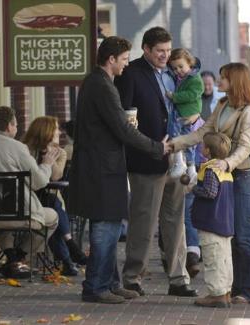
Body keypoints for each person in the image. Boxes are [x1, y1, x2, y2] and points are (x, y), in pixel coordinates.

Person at [68, 36, 170, 304]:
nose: (126, 65)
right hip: (101, 168)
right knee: (104, 227)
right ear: (111, 59)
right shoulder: (101, 85)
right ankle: (95, 287)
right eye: (124, 59)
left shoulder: (99, 83)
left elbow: (114, 125)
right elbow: (121, 129)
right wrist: (157, 147)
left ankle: (110, 283)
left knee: (111, 226)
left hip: (105, 166)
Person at [115, 26, 197, 297]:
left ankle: (178, 278)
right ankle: (132, 277)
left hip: (177, 156)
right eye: (159, 51)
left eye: (168, 50)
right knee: (144, 221)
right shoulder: (131, 73)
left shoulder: (175, 72)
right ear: (146, 49)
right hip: (147, 158)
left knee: (175, 220)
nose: (165, 55)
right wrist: (149, 146)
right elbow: (124, 119)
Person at [171, 62, 250, 304]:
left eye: (224, 78)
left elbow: (244, 146)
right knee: (226, 235)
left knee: (243, 235)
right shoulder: (221, 105)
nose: (219, 81)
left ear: (236, 81)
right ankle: (229, 288)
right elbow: (203, 133)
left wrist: (227, 163)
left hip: (239, 176)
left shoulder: (248, 111)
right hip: (222, 176)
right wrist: (175, 143)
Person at [0, 106, 59, 276]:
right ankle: (19, 257)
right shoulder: (18, 148)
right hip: (23, 215)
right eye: (16, 125)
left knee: (3, 224)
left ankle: (11, 258)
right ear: (9, 126)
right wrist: (46, 164)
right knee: (53, 216)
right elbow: (39, 182)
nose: (16, 129)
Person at [22, 116, 87, 276]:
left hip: (51, 198)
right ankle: (69, 249)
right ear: (46, 131)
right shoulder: (25, 150)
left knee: (52, 205)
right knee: (53, 208)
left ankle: (68, 260)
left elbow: (56, 177)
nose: (59, 131)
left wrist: (50, 160)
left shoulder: (61, 152)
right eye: (56, 128)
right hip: (28, 198)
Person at [191, 132, 234, 308]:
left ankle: (216, 294)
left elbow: (210, 192)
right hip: (225, 222)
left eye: (203, 145)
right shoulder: (227, 171)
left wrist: (193, 188)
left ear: (207, 150)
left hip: (211, 222)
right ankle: (226, 291)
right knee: (224, 258)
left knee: (212, 259)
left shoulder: (210, 170)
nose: (201, 148)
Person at [166, 48, 204, 181]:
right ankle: (191, 168)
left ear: (190, 63)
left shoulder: (195, 78)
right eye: (175, 68)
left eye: (181, 66)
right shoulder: (180, 77)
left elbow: (193, 94)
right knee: (188, 141)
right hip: (186, 113)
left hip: (186, 113)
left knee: (177, 135)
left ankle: (180, 162)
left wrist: (174, 97)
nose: (178, 70)